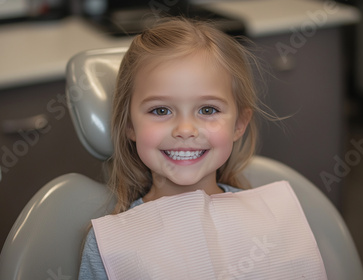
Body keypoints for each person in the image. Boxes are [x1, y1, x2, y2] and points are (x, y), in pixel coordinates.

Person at [79, 17, 267, 279]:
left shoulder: (269, 222)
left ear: (239, 124)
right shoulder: (108, 247)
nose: (185, 129)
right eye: (161, 110)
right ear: (129, 125)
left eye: (207, 109)